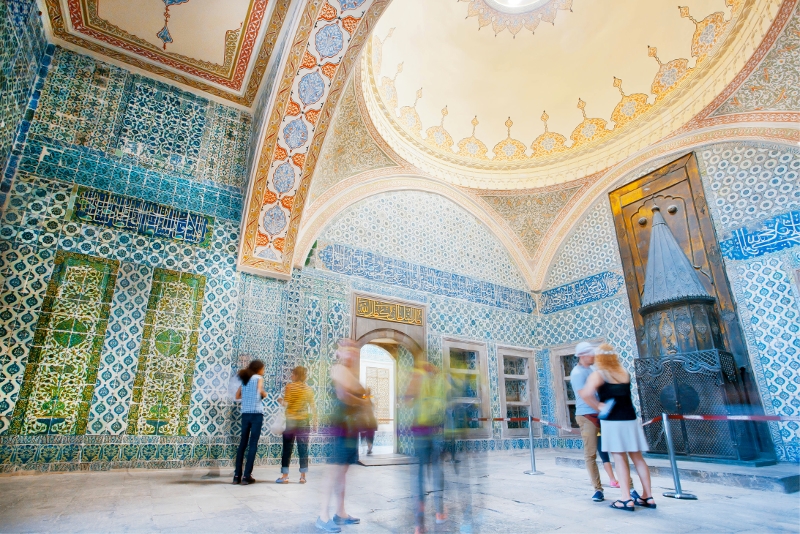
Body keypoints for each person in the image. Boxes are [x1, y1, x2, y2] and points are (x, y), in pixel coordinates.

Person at [580, 343, 656, 512]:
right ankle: (648, 497)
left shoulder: (599, 375)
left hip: (613, 421)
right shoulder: (624, 373)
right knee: (638, 458)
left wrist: (598, 406)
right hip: (630, 419)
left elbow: (585, 394)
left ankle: (625, 498)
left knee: (620, 458)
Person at [317, 339, 370, 533]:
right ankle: (323, 515)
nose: (352, 353)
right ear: (339, 353)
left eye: (354, 350)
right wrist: (362, 402)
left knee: (343, 471)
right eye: (347, 350)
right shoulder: (339, 370)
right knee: (333, 471)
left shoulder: (349, 373)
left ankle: (341, 512)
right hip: (339, 426)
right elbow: (343, 395)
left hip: (349, 427)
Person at [570, 341, 633, 502]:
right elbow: (585, 395)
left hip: (602, 415)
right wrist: (600, 407)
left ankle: (630, 488)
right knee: (590, 454)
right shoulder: (577, 373)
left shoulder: (594, 369)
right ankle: (597, 489)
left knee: (617, 451)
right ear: (583, 355)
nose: (594, 356)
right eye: (591, 354)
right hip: (587, 416)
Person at [405, 359, 448, 534]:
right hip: (436, 429)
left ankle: (419, 525)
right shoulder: (438, 378)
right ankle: (439, 512)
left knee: (420, 474)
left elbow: (407, 400)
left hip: (421, 430)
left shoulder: (418, 375)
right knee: (437, 469)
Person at [277, 366, 316, 484]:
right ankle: (303, 476)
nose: (291, 376)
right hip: (304, 422)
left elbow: (286, 404)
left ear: (297, 375)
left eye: (292, 374)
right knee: (303, 448)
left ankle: (285, 476)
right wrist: (315, 422)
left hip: (291, 422)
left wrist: (280, 400)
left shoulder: (290, 386)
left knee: (287, 448)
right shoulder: (309, 389)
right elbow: (313, 407)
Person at [233, 359, 267, 485]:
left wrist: (247, 396)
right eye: (263, 369)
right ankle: (247, 476)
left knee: (243, 443)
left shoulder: (245, 379)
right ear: (258, 369)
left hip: (245, 414)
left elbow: (237, 396)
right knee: (253, 444)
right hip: (256, 413)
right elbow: (260, 391)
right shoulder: (258, 377)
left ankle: (237, 475)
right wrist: (265, 394)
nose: (263, 371)